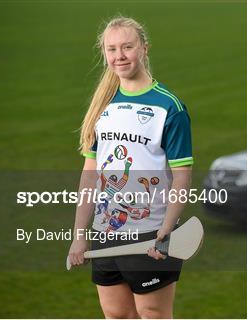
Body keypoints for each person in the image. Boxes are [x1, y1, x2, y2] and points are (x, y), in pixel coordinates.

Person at [68, 16, 193, 319]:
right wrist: (79, 234)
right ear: (104, 54)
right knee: (116, 315)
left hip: (150, 232)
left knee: (152, 314)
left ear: (144, 48)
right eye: (112, 49)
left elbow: (182, 176)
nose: (119, 55)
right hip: (106, 231)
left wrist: (165, 232)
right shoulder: (102, 107)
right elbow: (89, 176)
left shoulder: (169, 106)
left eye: (127, 46)